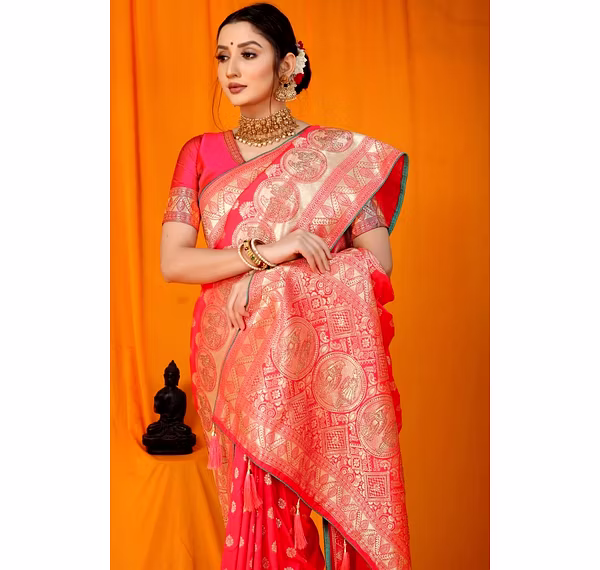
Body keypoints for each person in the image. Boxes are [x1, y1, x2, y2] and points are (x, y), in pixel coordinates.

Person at [160, 3, 411, 569]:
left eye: (248, 54)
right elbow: (174, 262)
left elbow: (376, 265)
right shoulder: (198, 153)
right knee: (259, 517)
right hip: (234, 356)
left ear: (286, 64)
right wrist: (270, 252)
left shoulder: (339, 157)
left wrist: (278, 284)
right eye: (223, 56)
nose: (231, 70)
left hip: (315, 360)